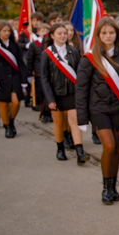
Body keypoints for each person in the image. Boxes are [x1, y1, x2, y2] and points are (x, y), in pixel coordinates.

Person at [76, 17, 119, 204]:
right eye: (104, 33)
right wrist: (82, 119)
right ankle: (105, 188)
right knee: (109, 146)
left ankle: (113, 187)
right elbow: (81, 89)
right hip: (98, 109)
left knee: (116, 149)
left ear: (116, 34)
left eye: (111, 33)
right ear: (98, 35)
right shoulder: (90, 58)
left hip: (117, 108)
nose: (108, 36)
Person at [39, 22, 87, 164]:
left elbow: (79, 73)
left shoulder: (73, 52)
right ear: (52, 35)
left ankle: (80, 152)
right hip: (56, 94)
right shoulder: (47, 54)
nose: (63, 36)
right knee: (59, 124)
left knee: (75, 122)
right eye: (59, 33)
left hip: (72, 93)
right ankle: (60, 148)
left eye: (65, 33)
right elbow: (45, 78)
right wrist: (50, 99)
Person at [0, 20, 29, 138]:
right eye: (4, 31)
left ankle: (11, 120)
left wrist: (24, 80)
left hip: (14, 77)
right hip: (0, 78)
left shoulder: (14, 45)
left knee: (16, 102)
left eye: (8, 31)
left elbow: (20, 63)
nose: (7, 33)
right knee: (3, 104)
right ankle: (7, 127)